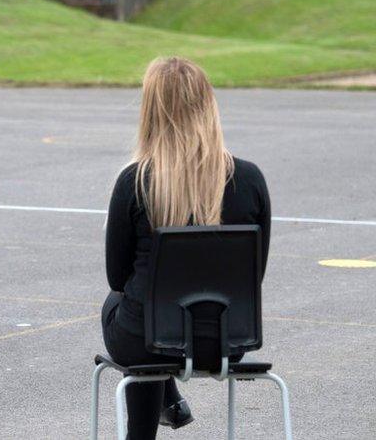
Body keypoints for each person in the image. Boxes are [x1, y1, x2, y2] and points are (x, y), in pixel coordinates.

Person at [102, 57, 272, 439]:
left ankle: (145, 426)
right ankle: (170, 399)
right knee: (152, 317)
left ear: (151, 112)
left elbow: (117, 275)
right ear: (209, 106)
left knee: (125, 307)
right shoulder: (249, 179)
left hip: (147, 339)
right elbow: (253, 274)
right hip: (227, 339)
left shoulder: (136, 182)